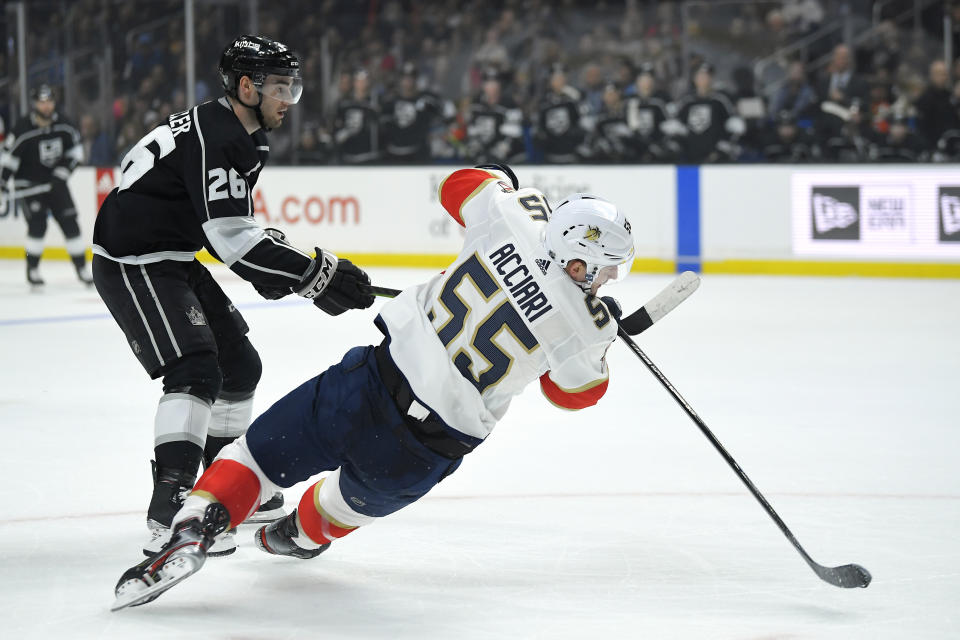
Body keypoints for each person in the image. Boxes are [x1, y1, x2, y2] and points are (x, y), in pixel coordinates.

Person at [110, 163, 637, 610]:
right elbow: (574, 394)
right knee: (340, 505)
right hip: (422, 450)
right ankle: (293, 536)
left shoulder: (514, 214)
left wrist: (504, 181)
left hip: (365, 384)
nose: (610, 279)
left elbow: (459, 185)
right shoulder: (585, 328)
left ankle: (194, 527)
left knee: (253, 459)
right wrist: (602, 336)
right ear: (579, 258)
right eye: (607, 269)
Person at [91, 35, 375, 559]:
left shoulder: (244, 132)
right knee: (195, 370)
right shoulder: (222, 137)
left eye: (294, 85)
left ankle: (229, 485)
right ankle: (170, 504)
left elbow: (220, 224)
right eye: (281, 87)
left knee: (240, 368)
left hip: (171, 253)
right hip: (134, 261)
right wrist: (315, 274)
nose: (290, 98)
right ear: (246, 87)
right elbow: (233, 240)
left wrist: (288, 272)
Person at [0, 84, 89, 287]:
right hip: (28, 184)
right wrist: (2, 185)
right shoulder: (22, 128)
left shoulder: (65, 125)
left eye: (49, 101)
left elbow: (76, 153)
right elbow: (8, 160)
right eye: (42, 102)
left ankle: (82, 268)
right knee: (38, 224)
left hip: (55, 183)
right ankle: (32, 269)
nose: (47, 106)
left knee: (70, 222)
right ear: (35, 104)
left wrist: (61, 174)